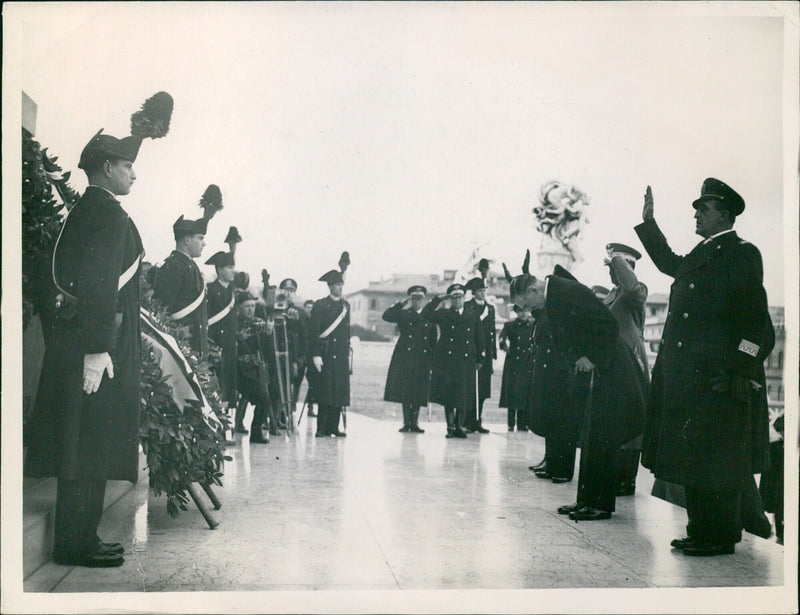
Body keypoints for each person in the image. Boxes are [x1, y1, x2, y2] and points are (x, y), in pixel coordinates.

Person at [24, 116, 165, 567]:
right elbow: (100, 284)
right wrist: (97, 349)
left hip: (80, 339)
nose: (133, 174)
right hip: (96, 346)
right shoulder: (108, 214)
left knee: (81, 442)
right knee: (89, 443)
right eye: (127, 165)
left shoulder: (85, 208)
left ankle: (80, 536)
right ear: (107, 168)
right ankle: (75, 543)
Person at [634, 180, 772, 556]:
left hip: (718, 379)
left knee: (717, 462)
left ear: (724, 214)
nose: (696, 213)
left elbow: (755, 326)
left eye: (703, 208)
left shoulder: (743, 253)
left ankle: (720, 536)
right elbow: (670, 264)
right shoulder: (705, 250)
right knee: (695, 457)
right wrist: (649, 224)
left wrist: (740, 371)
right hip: (692, 379)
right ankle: (700, 530)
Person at [511, 267, 645, 520]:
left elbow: (608, 325)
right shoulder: (555, 295)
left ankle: (600, 505)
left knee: (602, 437)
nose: (527, 310)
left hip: (610, 369)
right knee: (589, 436)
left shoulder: (568, 291)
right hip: (594, 371)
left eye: (526, 304)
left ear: (533, 290)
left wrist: (592, 358)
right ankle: (586, 501)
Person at [602, 243, 650, 496]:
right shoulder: (613, 293)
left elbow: (631, 285)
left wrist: (617, 259)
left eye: (615, 267)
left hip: (631, 361)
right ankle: (615, 473)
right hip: (614, 362)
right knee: (615, 415)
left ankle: (626, 479)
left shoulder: (635, 291)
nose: (611, 272)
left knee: (631, 415)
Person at [426, 284, 485, 439]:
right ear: (450, 299)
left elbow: (479, 337)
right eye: (453, 297)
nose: (457, 300)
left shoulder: (472, 315)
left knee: (463, 394)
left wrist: (480, 358)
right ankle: (450, 427)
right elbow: (426, 313)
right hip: (447, 360)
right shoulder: (444, 314)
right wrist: (438, 299)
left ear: (464, 298)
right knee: (449, 394)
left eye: (459, 297)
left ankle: (459, 426)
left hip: (466, 360)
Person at [382, 285, 437, 433]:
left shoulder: (429, 316)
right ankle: (407, 422)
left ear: (424, 300)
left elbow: (433, 341)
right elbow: (387, 315)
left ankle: (415, 422)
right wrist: (402, 303)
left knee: (419, 390)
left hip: (423, 358)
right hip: (406, 357)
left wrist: (432, 361)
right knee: (406, 390)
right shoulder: (404, 314)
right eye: (414, 298)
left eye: (420, 299)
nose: (417, 301)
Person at [153, 215, 209, 357]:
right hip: (181, 348)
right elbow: (162, 312)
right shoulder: (174, 267)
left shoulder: (188, 265)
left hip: (193, 348)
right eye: (200, 238)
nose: (204, 243)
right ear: (187, 240)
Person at [309, 269, 350, 437]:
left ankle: (334, 427)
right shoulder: (320, 305)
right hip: (325, 353)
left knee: (338, 390)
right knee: (325, 390)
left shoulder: (345, 307)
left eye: (341, 285)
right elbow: (313, 332)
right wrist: (316, 354)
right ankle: (321, 427)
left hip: (340, 354)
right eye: (337, 285)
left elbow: (345, 333)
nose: (340, 288)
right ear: (330, 286)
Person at [236, 293, 281, 443]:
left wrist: (268, 334)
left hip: (254, 369)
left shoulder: (258, 324)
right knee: (262, 396)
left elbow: (267, 350)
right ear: (239, 308)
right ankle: (251, 430)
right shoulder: (234, 323)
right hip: (237, 370)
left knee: (267, 396)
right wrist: (239, 339)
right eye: (247, 306)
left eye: (252, 306)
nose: (250, 309)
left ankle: (256, 430)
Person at [205, 251, 239, 433]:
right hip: (215, 347)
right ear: (219, 270)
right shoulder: (210, 290)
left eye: (233, 267)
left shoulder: (232, 292)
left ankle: (225, 427)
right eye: (229, 267)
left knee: (227, 387)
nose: (233, 271)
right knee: (216, 388)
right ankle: (216, 429)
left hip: (229, 348)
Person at [464, 277, 496, 433]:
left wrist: (493, 353)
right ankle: (466, 421)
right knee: (469, 389)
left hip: (486, 355)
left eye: (484, 291)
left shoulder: (490, 309)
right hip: (471, 353)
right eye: (480, 291)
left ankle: (477, 421)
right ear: (474, 292)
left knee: (482, 390)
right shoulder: (467, 307)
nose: (483, 294)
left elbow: (491, 332)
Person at [498, 307, 536, 432]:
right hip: (514, 361)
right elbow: (502, 337)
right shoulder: (510, 325)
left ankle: (522, 423)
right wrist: (504, 345)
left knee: (525, 393)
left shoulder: (533, 324)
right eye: (521, 311)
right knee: (513, 392)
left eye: (525, 311)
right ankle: (510, 423)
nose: (524, 314)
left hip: (528, 361)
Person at [302, 299, 318, 417]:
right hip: (300, 356)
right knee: (295, 382)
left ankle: (310, 407)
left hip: (311, 356)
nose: (310, 309)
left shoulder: (317, 323)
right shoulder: (301, 321)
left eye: (312, 307)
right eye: (308, 307)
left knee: (313, 382)